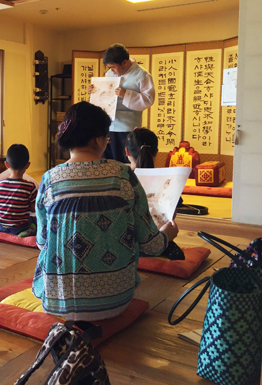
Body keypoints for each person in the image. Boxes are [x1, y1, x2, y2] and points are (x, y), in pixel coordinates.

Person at [32, 101, 178, 321]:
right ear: (98, 139)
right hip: (116, 300)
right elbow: (152, 245)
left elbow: (43, 242)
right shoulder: (122, 175)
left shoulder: (49, 179)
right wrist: (168, 233)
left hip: (57, 301)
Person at [88, 43, 155, 163]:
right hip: (107, 124)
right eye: (109, 68)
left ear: (124, 62)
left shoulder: (142, 75)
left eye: (113, 67)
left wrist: (126, 94)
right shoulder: (110, 73)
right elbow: (106, 94)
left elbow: (148, 100)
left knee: (123, 162)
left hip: (126, 126)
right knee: (106, 161)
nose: (111, 70)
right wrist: (95, 91)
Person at [125, 128, 185, 260]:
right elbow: (172, 214)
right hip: (156, 236)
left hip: (126, 240)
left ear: (127, 151)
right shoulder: (168, 180)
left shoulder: (121, 177)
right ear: (156, 152)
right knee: (177, 254)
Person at [0, 144, 37, 237]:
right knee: (35, 220)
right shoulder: (30, 186)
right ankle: (28, 230)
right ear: (27, 165)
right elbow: (33, 208)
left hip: (1, 225)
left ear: (6, 164)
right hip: (20, 227)